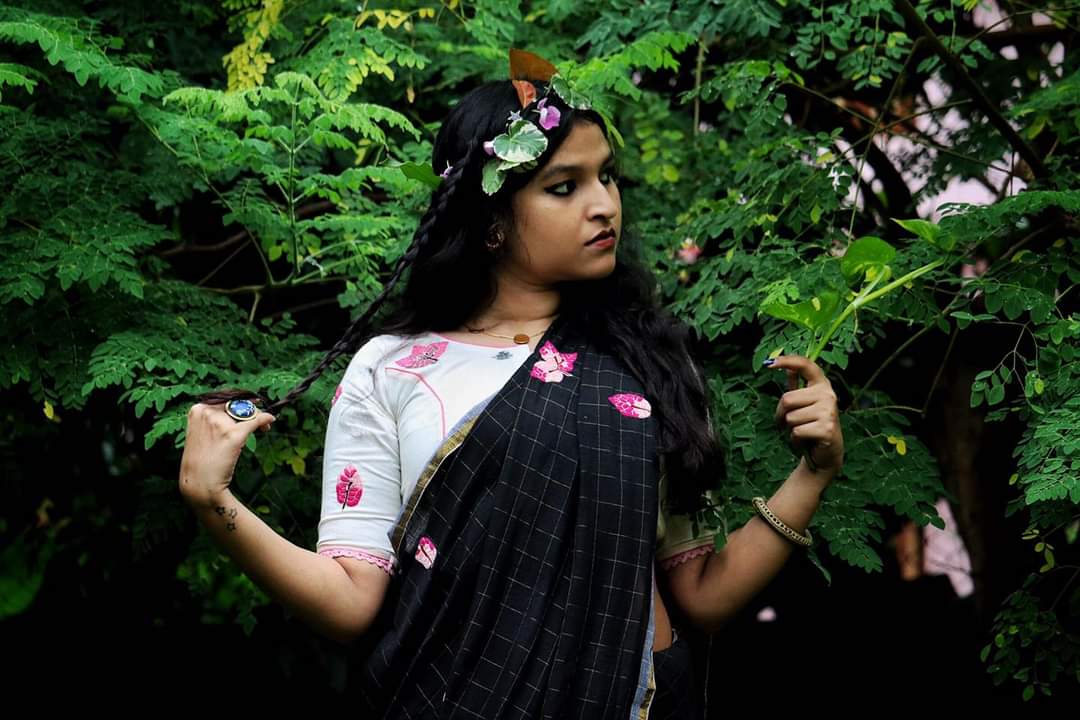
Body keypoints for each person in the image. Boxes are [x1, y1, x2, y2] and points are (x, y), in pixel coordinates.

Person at [179, 48, 845, 719]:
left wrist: (812, 473)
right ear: (492, 222)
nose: (602, 205)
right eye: (565, 186)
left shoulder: (647, 362)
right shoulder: (394, 369)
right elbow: (352, 599)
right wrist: (216, 505)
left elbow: (700, 592)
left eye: (606, 178)